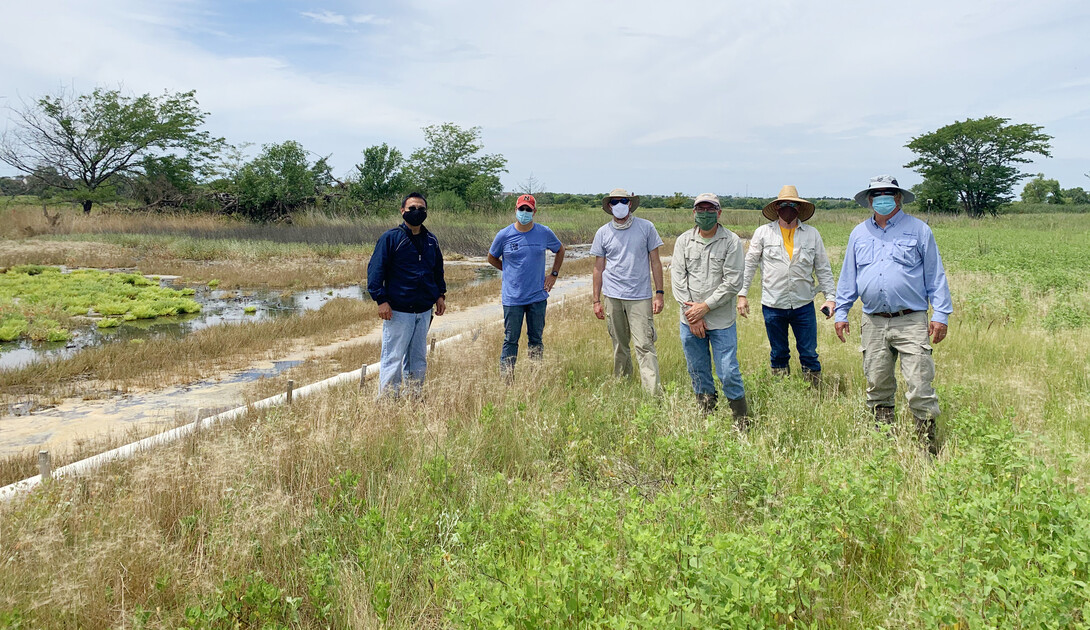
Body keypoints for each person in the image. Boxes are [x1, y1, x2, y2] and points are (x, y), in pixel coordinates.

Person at [834, 175, 953, 452]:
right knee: (877, 384)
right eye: (877, 194)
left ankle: (927, 447)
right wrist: (841, 311)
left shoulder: (919, 230)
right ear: (869, 200)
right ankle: (883, 444)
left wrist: (941, 315)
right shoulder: (859, 234)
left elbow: (936, 275)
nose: (883, 198)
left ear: (899, 197)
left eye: (889, 192)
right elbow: (848, 277)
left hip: (911, 319)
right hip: (873, 321)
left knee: (920, 385)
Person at [737, 185, 836, 387]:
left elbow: (823, 268)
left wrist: (831, 297)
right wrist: (742, 294)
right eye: (783, 204)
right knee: (779, 353)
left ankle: (813, 392)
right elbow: (750, 265)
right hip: (773, 304)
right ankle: (783, 391)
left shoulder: (812, 234)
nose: (787, 208)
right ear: (777, 208)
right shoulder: (763, 233)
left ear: (798, 208)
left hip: (803, 304)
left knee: (809, 353)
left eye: (792, 204)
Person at [672, 193, 750, 423]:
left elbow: (733, 282)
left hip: (721, 320)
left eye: (710, 209)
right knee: (698, 370)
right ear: (693, 213)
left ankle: (741, 420)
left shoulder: (731, 242)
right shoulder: (683, 241)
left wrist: (704, 308)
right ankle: (707, 417)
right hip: (690, 321)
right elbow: (678, 280)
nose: (705, 214)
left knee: (728, 371)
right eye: (701, 209)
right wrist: (693, 316)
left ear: (719, 213)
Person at [366, 192, 447, 398]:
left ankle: (414, 397)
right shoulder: (391, 238)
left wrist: (440, 296)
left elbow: (437, 270)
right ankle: (387, 401)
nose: (416, 212)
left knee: (418, 358)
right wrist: (381, 300)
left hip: (423, 310)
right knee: (393, 357)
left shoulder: (431, 240)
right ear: (402, 211)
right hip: (398, 311)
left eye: (421, 209)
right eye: (412, 208)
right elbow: (376, 271)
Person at [590, 188, 665, 393]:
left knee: (644, 344)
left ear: (630, 204)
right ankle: (622, 385)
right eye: (615, 202)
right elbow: (598, 267)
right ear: (609, 206)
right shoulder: (603, 232)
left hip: (640, 297)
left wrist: (659, 293)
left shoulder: (646, 228)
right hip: (613, 296)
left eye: (623, 200)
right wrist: (596, 300)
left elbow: (655, 262)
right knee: (619, 345)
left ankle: (653, 393)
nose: (619, 205)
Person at [487, 194, 565, 376]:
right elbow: (491, 258)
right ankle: (507, 379)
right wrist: (507, 269)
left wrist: (553, 274)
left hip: (537, 296)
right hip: (513, 298)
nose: (524, 212)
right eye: (521, 209)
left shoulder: (544, 232)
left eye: (528, 209)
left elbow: (560, 249)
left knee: (536, 340)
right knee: (511, 340)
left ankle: (534, 376)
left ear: (534, 212)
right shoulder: (504, 235)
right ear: (515, 210)